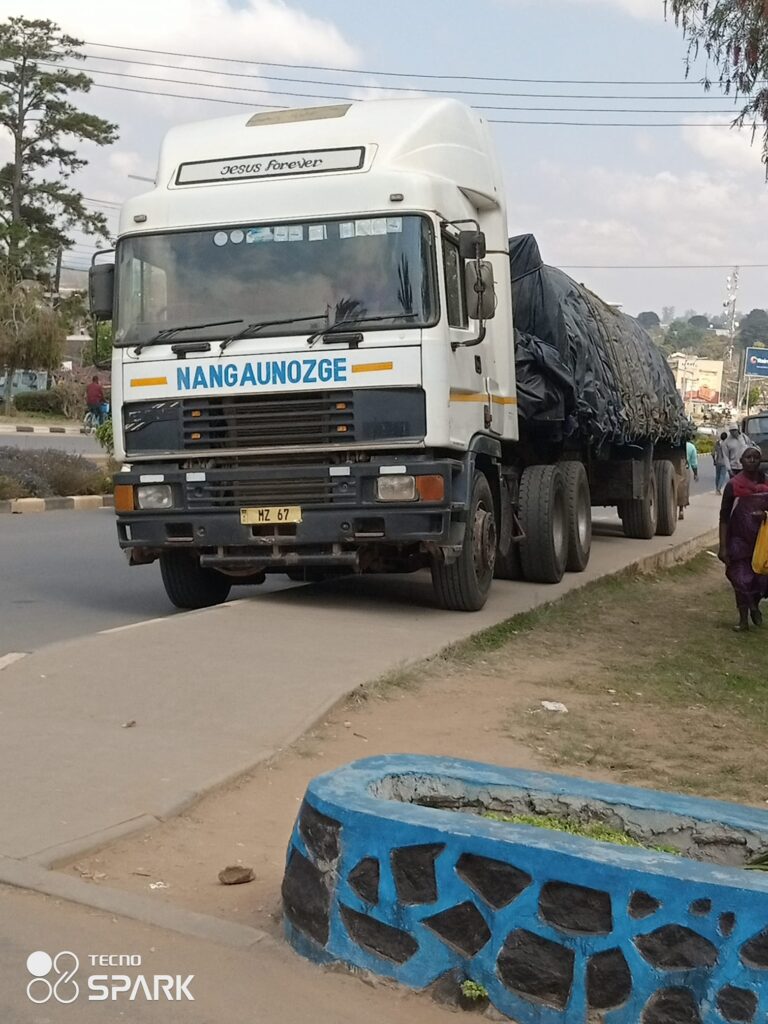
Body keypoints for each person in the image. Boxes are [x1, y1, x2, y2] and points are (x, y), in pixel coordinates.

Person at [718, 445, 768, 632]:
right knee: (740, 578)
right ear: (741, 461)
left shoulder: (766, 482)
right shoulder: (733, 485)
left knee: (760, 579)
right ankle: (744, 619)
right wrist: (723, 546)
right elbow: (724, 516)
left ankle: (754, 604)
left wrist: (764, 515)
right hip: (738, 540)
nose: (752, 461)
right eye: (748, 457)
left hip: (761, 541)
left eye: (756, 458)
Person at [678, 439, 699, 521]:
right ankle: (681, 510)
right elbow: (694, 463)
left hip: (675, 467)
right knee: (683, 490)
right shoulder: (691, 447)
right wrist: (696, 474)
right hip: (685, 470)